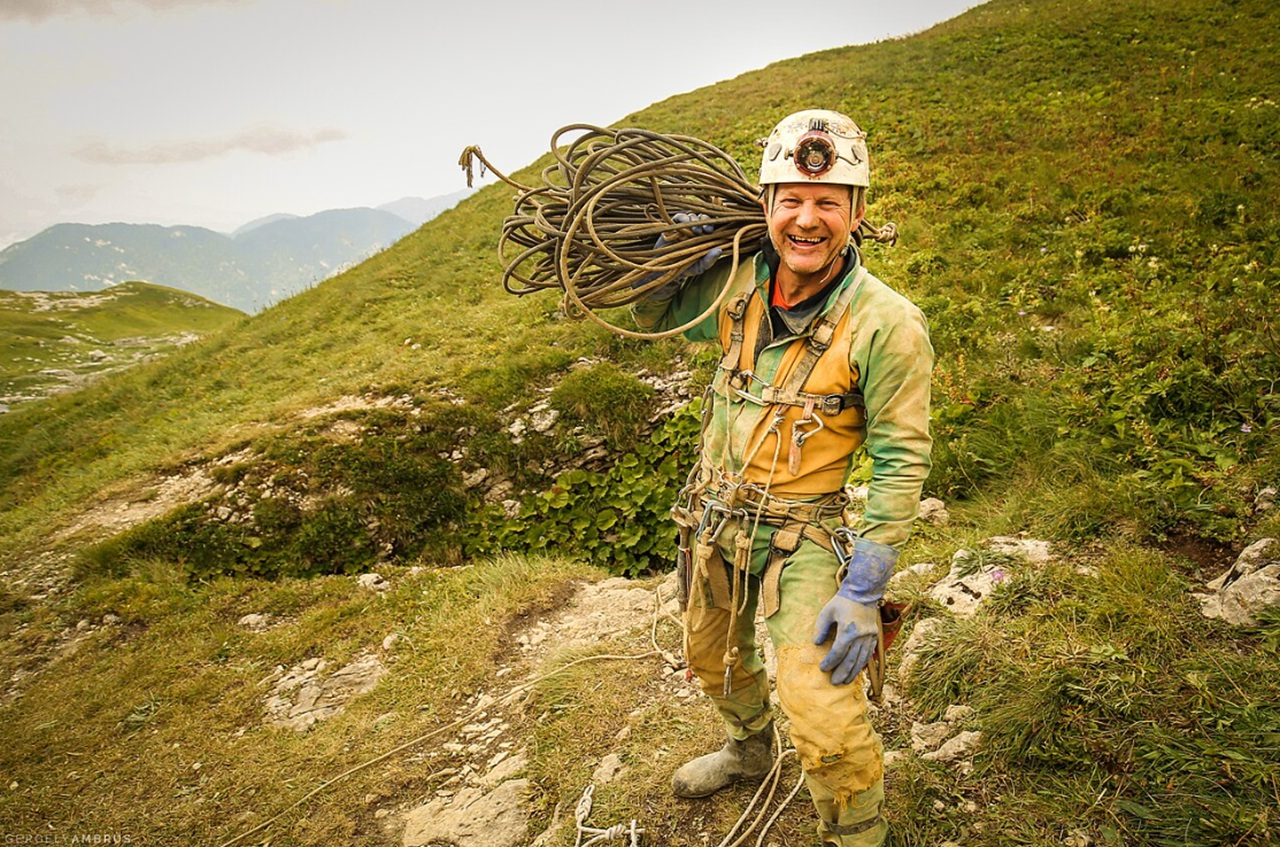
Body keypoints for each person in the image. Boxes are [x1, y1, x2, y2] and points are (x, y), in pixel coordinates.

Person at [631, 108, 933, 846]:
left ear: (857, 213)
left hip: (803, 535)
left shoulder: (887, 323)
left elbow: (900, 460)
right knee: (713, 659)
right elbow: (652, 314)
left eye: (828, 202)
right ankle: (749, 747)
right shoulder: (736, 286)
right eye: (790, 200)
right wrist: (670, 254)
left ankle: (859, 834)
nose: (807, 219)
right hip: (714, 519)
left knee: (822, 705)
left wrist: (863, 590)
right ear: (765, 205)